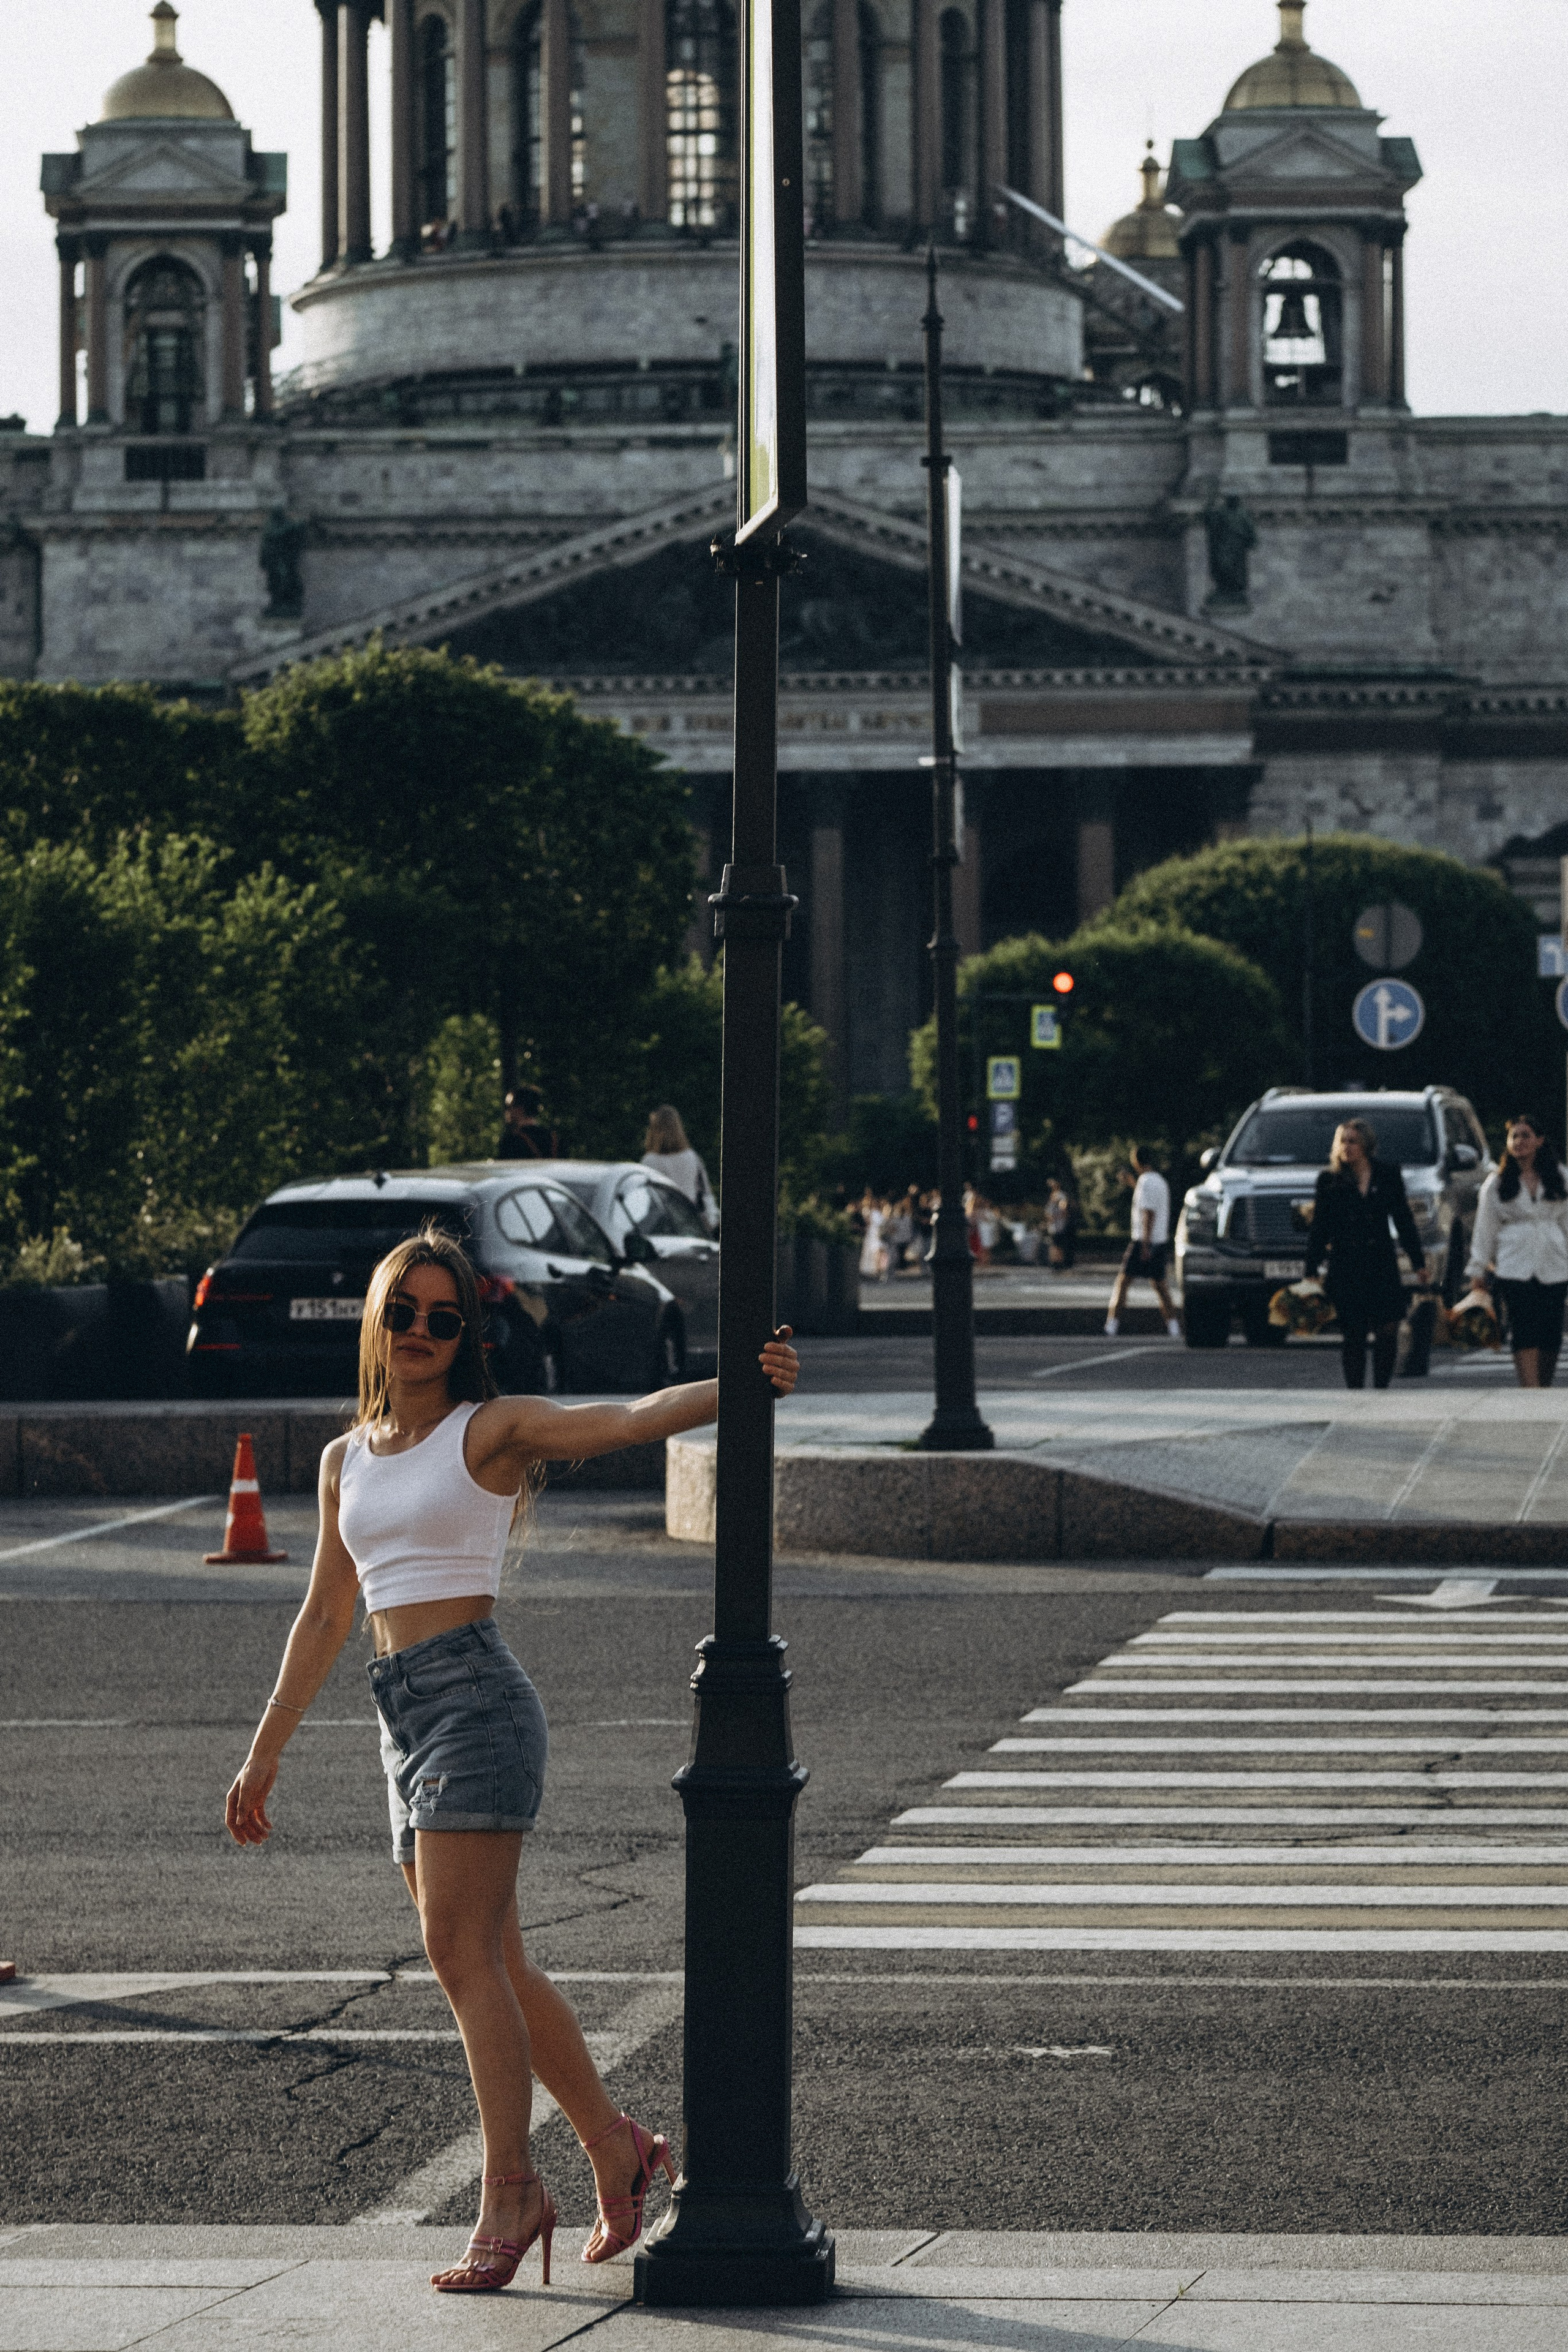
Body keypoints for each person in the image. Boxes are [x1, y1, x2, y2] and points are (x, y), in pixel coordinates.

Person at [225, 1224, 799, 2295]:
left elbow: (618, 1420)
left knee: (456, 1951)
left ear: (466, 1333)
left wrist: (742, 1384)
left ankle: (509, 2192)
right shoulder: (344, 1457)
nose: (421, 1334)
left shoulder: (489, 1431)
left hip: (478, 1704)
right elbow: (324, 1611)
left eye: (445, 1318)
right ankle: (616, 2148)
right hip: (400, 1713)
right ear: (378, 1316)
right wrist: (266, 1752)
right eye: (404, 1312)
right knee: (496, 1960)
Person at [1302, 1116, 1429, 1390]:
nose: (1347, 1147)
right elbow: (1320, 1228)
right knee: (1354, 1334)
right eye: (1343, 1142)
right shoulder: (1330, 1180)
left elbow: (1403, 1219)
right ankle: (1355, 1392)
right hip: (1346, 1265)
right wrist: (1311, 1270)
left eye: (1353, 1142)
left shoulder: (1387, 1175)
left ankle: (1381, 1387)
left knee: (1388, 1328)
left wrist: (1418, 1261)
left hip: (1381, 1263)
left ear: (1367, 1145)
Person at [1464, 1112, 1568, 1387]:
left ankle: (1543, 1384)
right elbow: (1485, 1228)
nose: (1520, 1142)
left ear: (1540, 1141)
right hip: (1514, 1264)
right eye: (1515, 1137)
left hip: (1554, 1262)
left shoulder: (1560, 1177)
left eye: (1526, 1136)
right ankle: (1529, 1388)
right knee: (1524, 1327)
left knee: (1551, 1333)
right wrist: (1478, 1269)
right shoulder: (1497, 1183)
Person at [1105, 1145, 1182, 1338]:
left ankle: (1112, 1325)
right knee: (1160, 1286)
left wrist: (1145, 1246)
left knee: (1123, 1283)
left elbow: (1148, 1214)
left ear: (1136, 1161)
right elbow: (1150, 1201)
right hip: (1160, 1241)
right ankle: (1174, 1327)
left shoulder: (1145, 1183)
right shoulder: (1159, 1182)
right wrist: (1132, 1183)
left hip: (1143, 1240)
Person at [641, 1106, 716, 1231]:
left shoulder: (649, 1161)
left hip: (661, 1226)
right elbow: (706, 1192)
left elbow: (644, 1198)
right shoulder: (692, 1157)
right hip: (691, 1225)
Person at [497, 1085, 558, 1160]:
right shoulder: (553, 1137)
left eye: (509, 1106)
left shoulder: (511, 1141)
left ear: (520, 1109)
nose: (507, 1111)